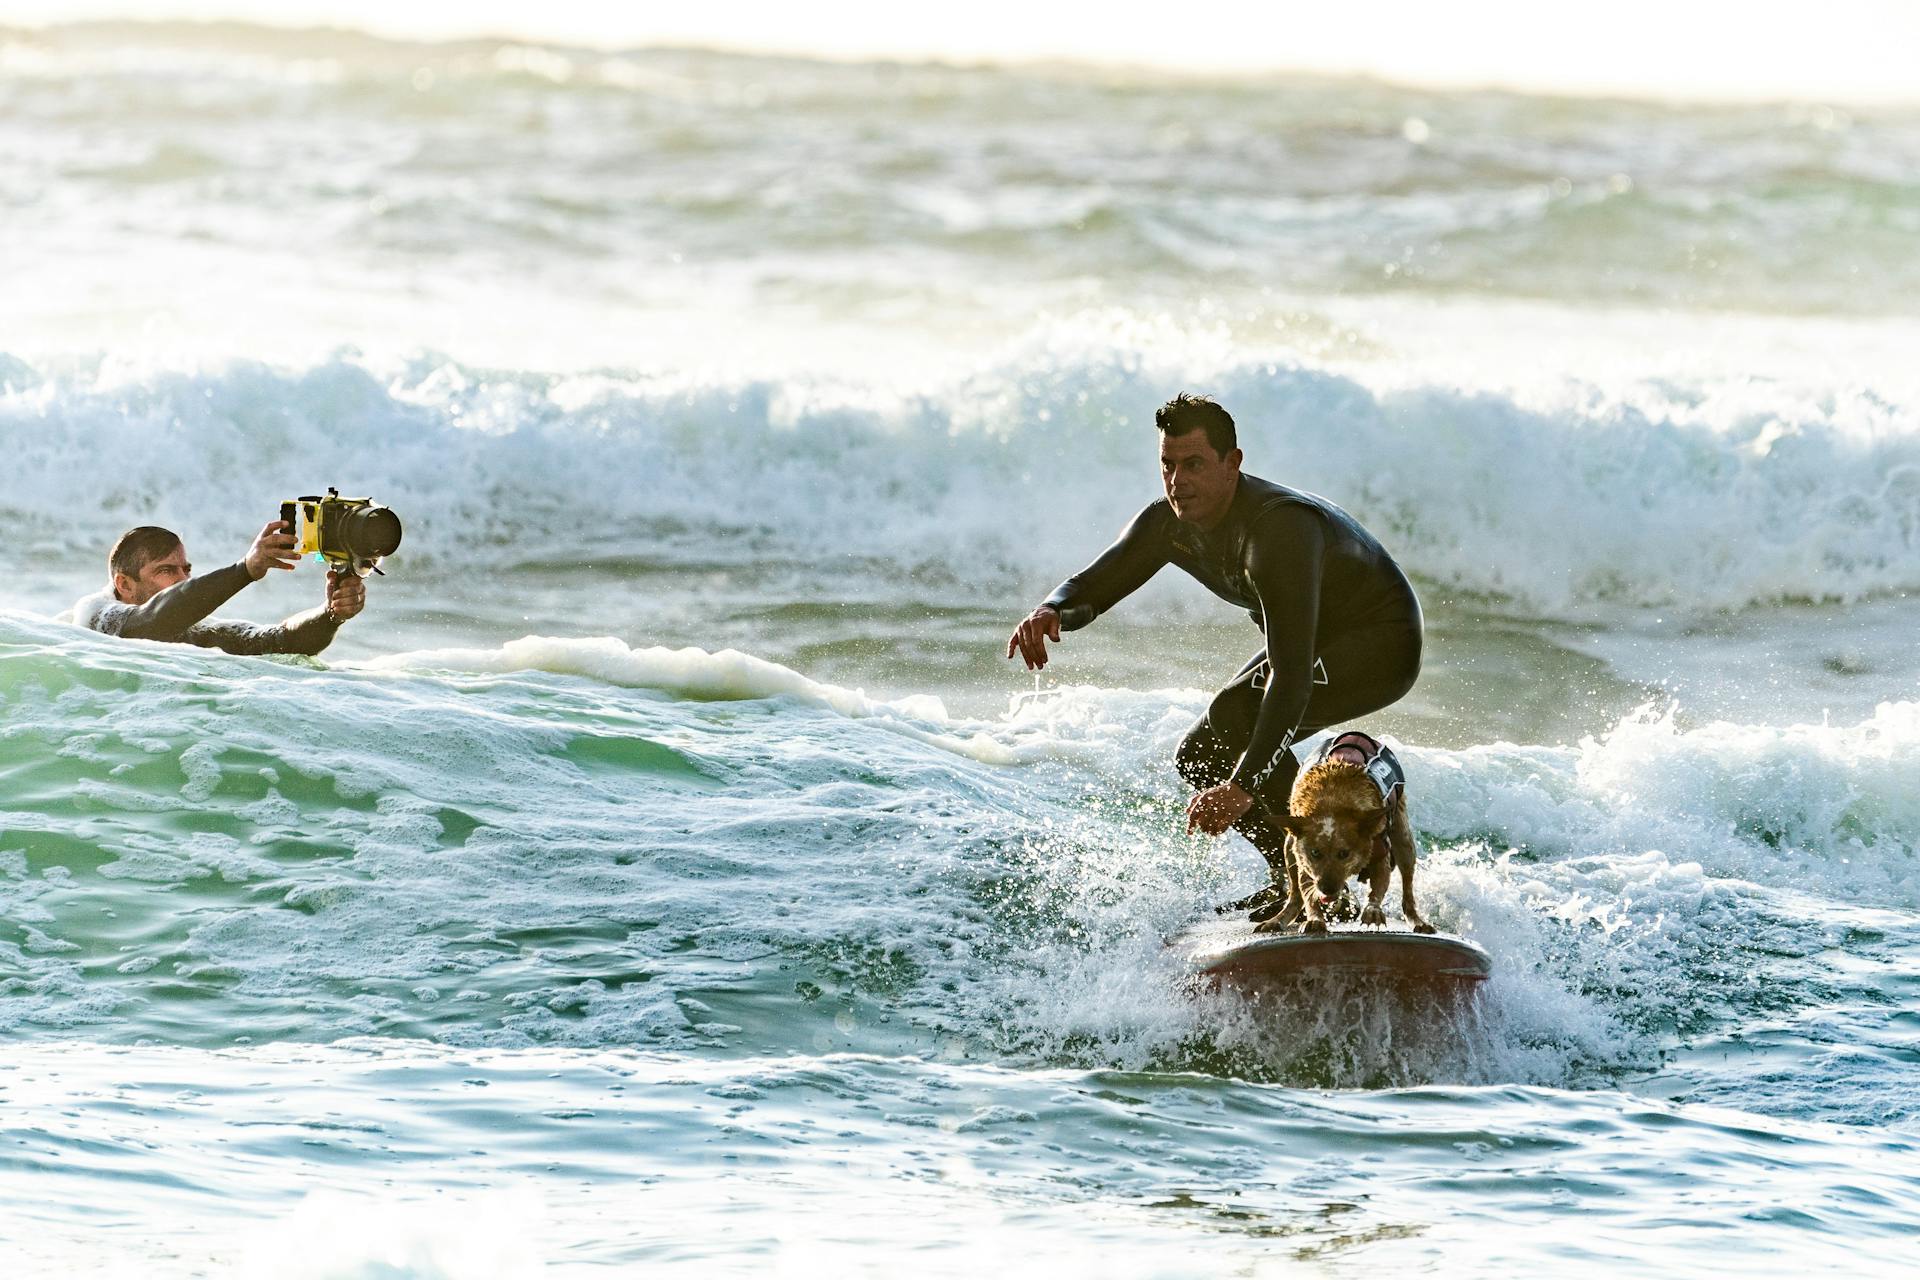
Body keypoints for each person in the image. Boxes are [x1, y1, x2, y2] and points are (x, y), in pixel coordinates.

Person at [1006, 393, 1422, 911]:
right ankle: (1292, 878)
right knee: (1199, 754)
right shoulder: (1169, 524)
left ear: (1233, 464)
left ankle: (1338, 870)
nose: (1179, 481)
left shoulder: (1280, 531)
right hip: (1316, 641)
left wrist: (1243, 787)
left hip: (1383, 641)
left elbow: (1290, 678)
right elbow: (1099, 581)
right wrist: (1052, 610)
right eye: (1168, 465)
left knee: (1238, 713)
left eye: (1195, 464)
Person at [69, 521, 365, 656]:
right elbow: (149, 622)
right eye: (165, 570)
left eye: (186, 570)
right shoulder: (95, 613)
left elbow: (281, 641)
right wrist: (245, 569)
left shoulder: (193, 630)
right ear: (124, 584)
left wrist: (331, 614)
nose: (183, 580)